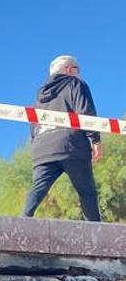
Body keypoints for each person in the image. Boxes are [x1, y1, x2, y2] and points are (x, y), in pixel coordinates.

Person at [23, 55, 103, 222]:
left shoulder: (39, 96)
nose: (79, 74)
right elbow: (85, 112)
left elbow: (33, 124)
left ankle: (21, 222)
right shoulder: (75, 84)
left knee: (38, 188)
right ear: (68, 69)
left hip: (42, 149)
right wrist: (95, 140)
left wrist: (37, 146)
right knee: (86, 191)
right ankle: (95, 231)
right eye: (77, 70)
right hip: (71, 146)